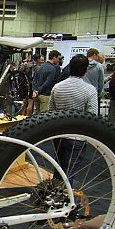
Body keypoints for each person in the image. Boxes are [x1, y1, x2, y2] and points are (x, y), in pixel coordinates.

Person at [48, 54, 98, 185]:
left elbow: (50, 112)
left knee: (58, 167)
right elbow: (92, 116)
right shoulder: (90, 90)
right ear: (86, 70)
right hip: (77, 137)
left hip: (58, 134)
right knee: (70, 171)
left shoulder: (57, 87)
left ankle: (53, 195)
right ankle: (64, 200)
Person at [32, 50, 61, 114]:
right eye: (58, 58)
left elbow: (34, 80)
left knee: (35, 116)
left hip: (36, 95)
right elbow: (47, 83)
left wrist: (35, 90)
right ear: (54, 57)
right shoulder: (53, 69)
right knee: (43, 118)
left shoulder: (41, 66)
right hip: (45, 95)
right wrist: (38, 91)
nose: (59, 60)